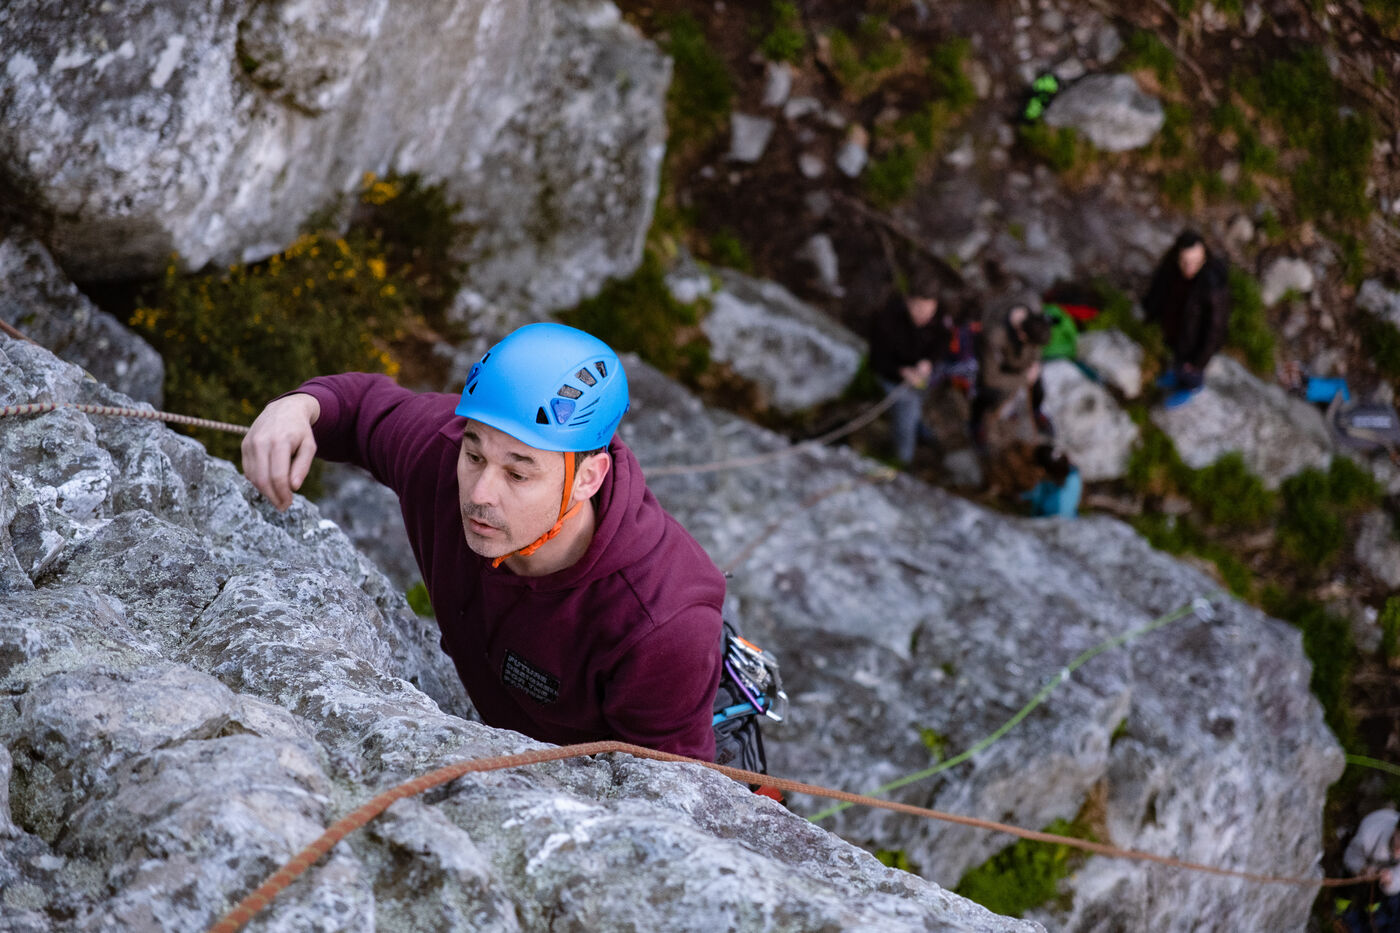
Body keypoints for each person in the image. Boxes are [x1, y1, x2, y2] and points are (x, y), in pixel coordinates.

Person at [240, 322, 725, 760]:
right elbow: (362, 408)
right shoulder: (441, 455)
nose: (479, 494)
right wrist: (296, 407)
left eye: (518, 473)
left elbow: (676, 796)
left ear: (588, 479)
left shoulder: (658, 626)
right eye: (474, 457)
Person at [867, 273, 954, 467]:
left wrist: (929, 361)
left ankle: (918, 426)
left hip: (922, 374)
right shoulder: (887, 320)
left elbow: (943, 340)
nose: (924, 315)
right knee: (906, 412)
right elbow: (877, 360)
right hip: (893, 377)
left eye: (929, 310)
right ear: (908, 301)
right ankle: (902, 460)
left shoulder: (940, 315)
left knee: (919, 400)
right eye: (918, 308)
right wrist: (902, 372)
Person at [1143, 229, 1231, 409]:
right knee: (1177, 359)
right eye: (1184, 261)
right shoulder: (1171, 268)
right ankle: (1176, 375)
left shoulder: (1213, 286)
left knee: (1190, 370)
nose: (1189, 268)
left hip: (1194, 343)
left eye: (1195, 262)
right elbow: (1158, 290)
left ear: (1204, 258)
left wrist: (1199, 361)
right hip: (1176, 332)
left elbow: (1215, 329)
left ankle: (1191, 387)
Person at [970, 293, 1053, 450]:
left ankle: (1036, 411)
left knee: (1038, 386)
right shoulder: (995, 335)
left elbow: (1036, 346)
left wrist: (1034, 365)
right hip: (997, 366)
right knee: (989, 394)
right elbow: (990, 377)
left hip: (1022, 361)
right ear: (1022, 334)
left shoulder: (1033, 309)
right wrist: (1024, 379)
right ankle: (976, 424)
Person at [1342, 807, 1400, 932]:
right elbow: (1350, 857)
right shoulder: (1369, 834)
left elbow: (1398, 881)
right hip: (1364, 859)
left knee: (1379, 899)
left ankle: (1369, 915)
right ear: (1395, 830)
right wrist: (1362, 869)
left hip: (1381, 874)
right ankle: (1342, 914)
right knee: (1350, 890)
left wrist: (1389, 881)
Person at [1023, 444, 1081, 518]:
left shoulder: (1054, 499)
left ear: (1044, 469)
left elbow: (1038, 502)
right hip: (1071, 517)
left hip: (1049, 518)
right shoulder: (1073, 474)